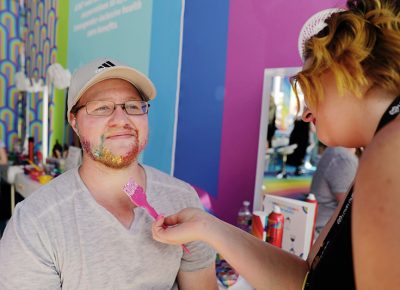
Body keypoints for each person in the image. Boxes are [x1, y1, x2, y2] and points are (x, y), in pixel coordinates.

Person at [152, 1, 400, 289]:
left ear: (348, 64)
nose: (305, 112)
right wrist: (205, 226)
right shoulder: (379, 151)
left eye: (308, 84)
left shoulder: (390, 149)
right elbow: (305, 280)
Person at [0, 58, 217, 289]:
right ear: (74, 121)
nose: (121, 120)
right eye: (102, 107)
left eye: (133, 106)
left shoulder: (183, 200)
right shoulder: (35, 223)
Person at [310, 145, 358, 236]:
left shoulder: (336, 151)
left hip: (322, 227)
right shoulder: (343, 159)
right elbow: (350, 208)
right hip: (326, 232)